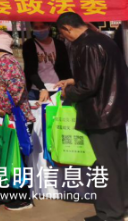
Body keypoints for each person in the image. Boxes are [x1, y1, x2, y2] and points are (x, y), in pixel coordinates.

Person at [55, 12, 128, 221]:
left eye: (63, 34)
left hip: (100, 114)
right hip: (116, 111)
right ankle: (121, 205)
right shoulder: (103, 39)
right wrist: (74, 80)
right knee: (118, 162)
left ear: (67, 29)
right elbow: (103, 74)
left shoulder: (86, 45)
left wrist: (68, 92)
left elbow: (88, 85)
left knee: (103, 166)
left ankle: (109, 213)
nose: (65, 38)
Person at [0, 30, 34, 212]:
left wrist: (3, 107)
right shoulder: (0, 63)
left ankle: (22, 197)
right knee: (6, 156)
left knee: (15, 158)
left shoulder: (8, 63)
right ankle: (9, 192)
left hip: (12, 118)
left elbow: (16, 88)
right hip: (4, 119)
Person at [23, 21, 72, 102]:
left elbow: (66, 68)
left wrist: (67, 85)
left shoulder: (59, 44)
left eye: (42, 27)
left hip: (57, 89)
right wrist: (42, 88)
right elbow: (30, 70)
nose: (39, 30)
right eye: (36, 28)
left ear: (49, 27)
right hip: (36, 91)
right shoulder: (29, 45)